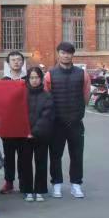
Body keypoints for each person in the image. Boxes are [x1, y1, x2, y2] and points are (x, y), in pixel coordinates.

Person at [44, 41, 90, 199]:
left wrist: (77, 113)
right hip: (56, 123)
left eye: (69, 53)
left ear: (72, 55)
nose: (66, 55)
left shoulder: (82, 74)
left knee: (77, 155)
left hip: (76, 122)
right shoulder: (50, 75)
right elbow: (46, 98)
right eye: (63, 53)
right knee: (55, 155)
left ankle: (76, 185)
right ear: (58, 54)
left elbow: (86, 97)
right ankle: (56, 184)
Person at [18, 67, 54, 202]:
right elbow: (18, 114)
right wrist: (26, 131)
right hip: (24, 136)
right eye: (31, 78)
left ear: (41, 79)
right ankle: (27, 190)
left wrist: (34, 132)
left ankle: (40, 190)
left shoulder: (47, 96)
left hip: (41, 135)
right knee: (25, 163)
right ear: (28, 79)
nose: (34, 80)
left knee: (41, 162)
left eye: (37, 77)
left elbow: (46, 116)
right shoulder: (22, 94)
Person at [0, 50, 27, 195]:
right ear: (8, 63)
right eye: (13, 60)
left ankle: (24, 183)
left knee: (24, 157)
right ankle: (9, 182)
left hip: (25, 125)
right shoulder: (3, 81)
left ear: (23, 62)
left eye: (19, 59)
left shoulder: (29, 79)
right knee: (9, 157)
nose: (16, 62)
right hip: (8, 126)